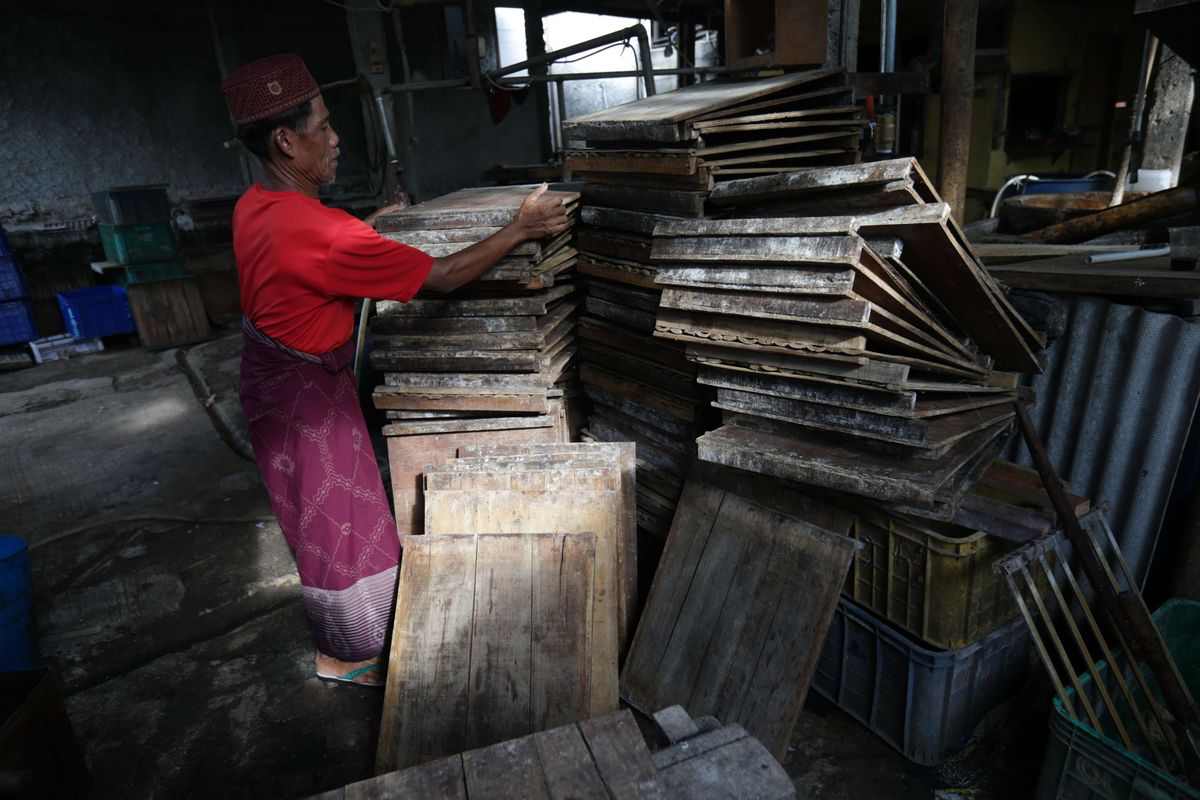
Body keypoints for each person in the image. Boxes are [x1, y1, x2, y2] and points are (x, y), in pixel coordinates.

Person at [219, 54, 568, 686]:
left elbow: (309, 253)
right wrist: (520, 228)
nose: (336, 138)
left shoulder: (256, 206)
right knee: (340, 529)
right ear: (284, 140)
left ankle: (354, 643)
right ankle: (350, 657)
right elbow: (442, 276)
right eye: (322, 126)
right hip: (307, 403)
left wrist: (363, 232)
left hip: (274, 385)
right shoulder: (322, 234)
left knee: (321, 518)